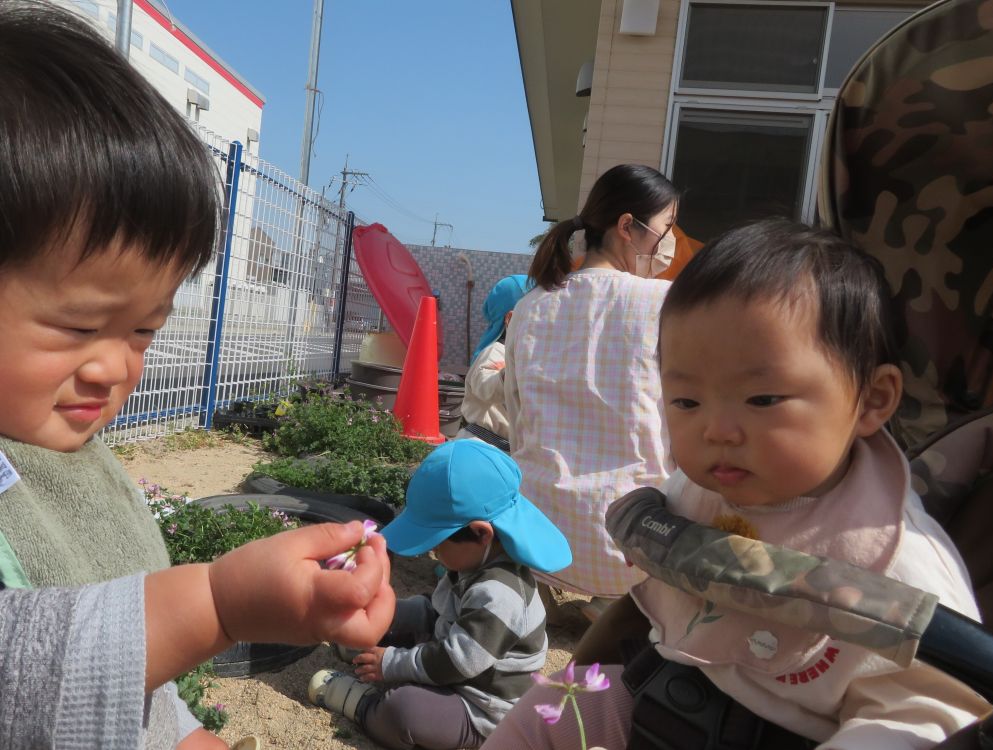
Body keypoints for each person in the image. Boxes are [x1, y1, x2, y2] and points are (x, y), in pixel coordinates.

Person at [0, 3, 395, 749]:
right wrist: (217, 603)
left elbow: (123, 686)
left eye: (145, 329)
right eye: (80, 326)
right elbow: (27, 668)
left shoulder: (60, 458)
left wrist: (184, 734)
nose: (117, 366)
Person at [482, 219, 990, 749]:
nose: (716, 430)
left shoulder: (899, 560)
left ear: (872, 399)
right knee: (546, 710)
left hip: (791, 731)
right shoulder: (697, 493)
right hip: (662, 691)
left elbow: (931, 711)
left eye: (762, 399)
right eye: (686, 401)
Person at [308, 440, 572, 749]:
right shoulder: (473, 562)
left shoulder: (500, 594)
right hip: (451, 656)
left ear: (480, 533)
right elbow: (437, 612)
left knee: (404, 710)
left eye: (436, 543)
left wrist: (393, 663)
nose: (432, 551)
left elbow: (457, 661)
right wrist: (390, 614)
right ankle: (368, 651)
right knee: (390, 637)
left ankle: (365, 706)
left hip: (481, 708)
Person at [505, 163, 679, 620]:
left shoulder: (530, 306)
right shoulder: (664, 304)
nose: (669, 243)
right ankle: (614, 605)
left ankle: (547, 594)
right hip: (631, 548)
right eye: (666, 229)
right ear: (628, 227)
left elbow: (516, 420)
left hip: (536, 537)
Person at [456, 274, 531, 451]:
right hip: (481, 445)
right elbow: (485, 386)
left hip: (505, 449)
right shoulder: (495, 352)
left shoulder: (524, 358)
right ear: (510, 319)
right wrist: (508, 374)